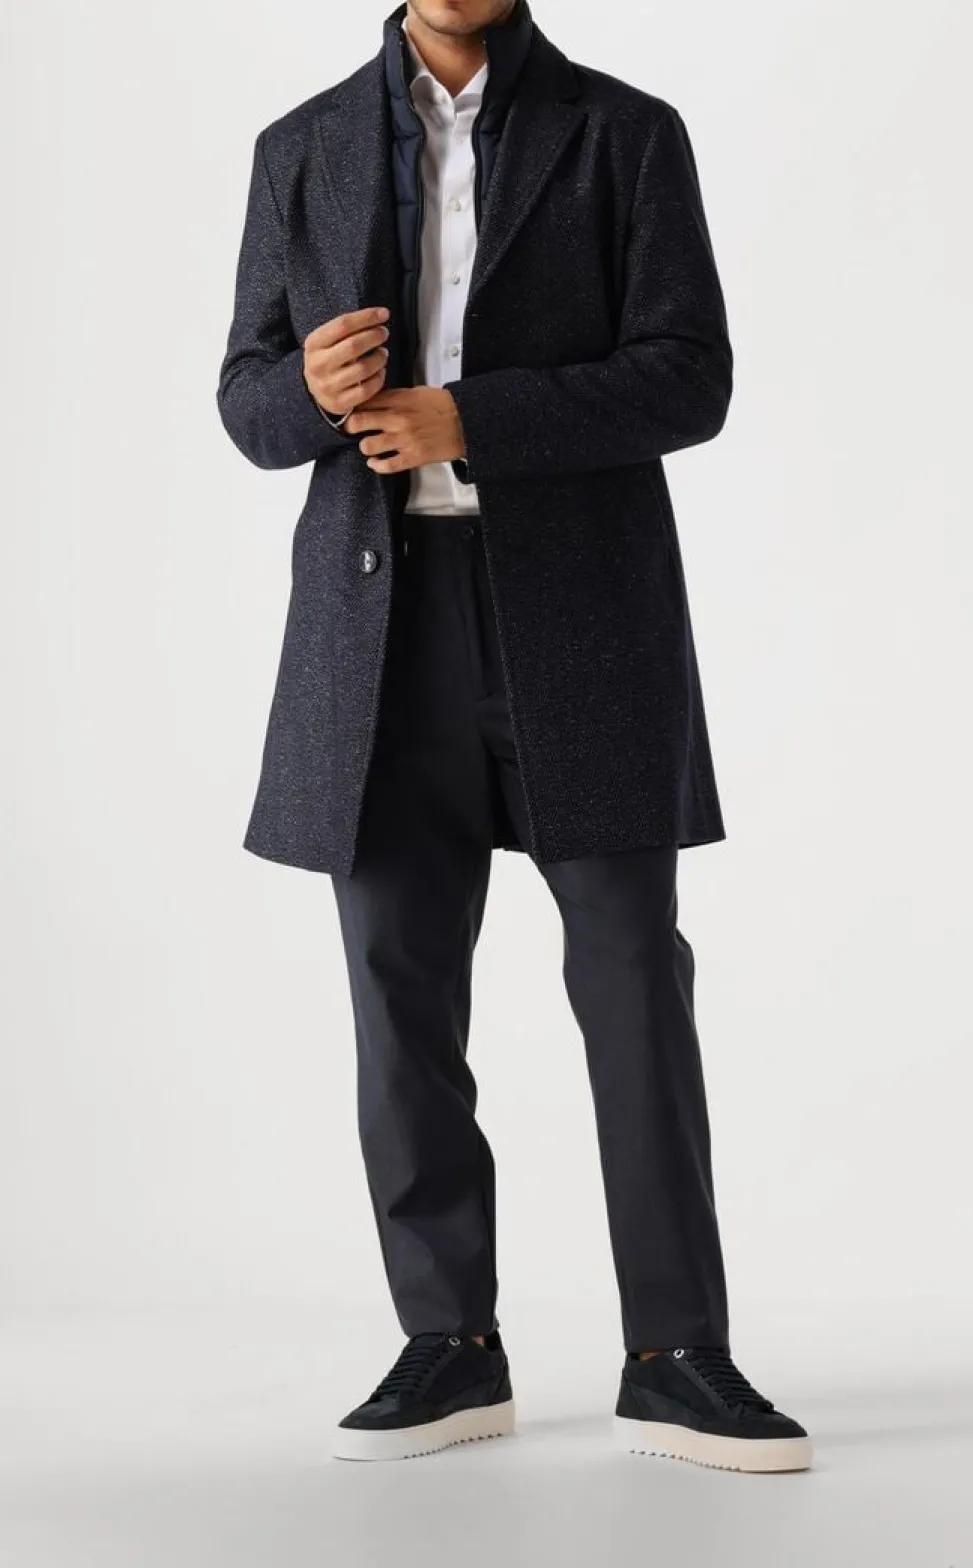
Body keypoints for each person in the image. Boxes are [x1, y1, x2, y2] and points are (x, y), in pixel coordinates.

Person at [216, 0, 811, 1474]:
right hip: (376, 627)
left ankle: (677, 1356)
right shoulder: (300, 150)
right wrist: (310, 395)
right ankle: (449, 1347)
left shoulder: (625, 135)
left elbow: (690, 374)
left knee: (632, 981)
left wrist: (467, 418)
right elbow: (245, 401)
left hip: (584, 621)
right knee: (399, 992)